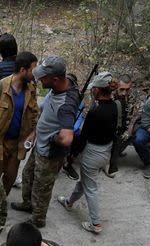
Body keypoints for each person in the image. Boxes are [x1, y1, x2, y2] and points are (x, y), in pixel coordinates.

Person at [10, 56, 79, 228]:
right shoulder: (64, 82)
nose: (38, 79)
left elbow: (66, 137)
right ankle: (28, 204)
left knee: (41, 189)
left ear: (55, 79)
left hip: (50, 154)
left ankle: (37, 220)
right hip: (39, 146)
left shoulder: (66, 105)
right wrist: (35, 133)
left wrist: (50, 137)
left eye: (43, 77)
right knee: (27, 175)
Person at [57, 71, 117, 235]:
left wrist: (72, 155)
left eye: (94, 89)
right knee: (86, 182)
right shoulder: (113, 106)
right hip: (105, 152)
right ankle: (69, 202)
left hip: (92, 153)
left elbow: (83, 137)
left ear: (97, 90)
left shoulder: (95, 112)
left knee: (91, 188)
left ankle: (96, 224)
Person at [0, 51, 39, 194]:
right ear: (23, 70)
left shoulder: (31, 90)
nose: (35, 74)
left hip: (17, 146)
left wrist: (33, 134)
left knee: (9, 180)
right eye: (33, 70)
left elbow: (34, 115)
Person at [106, 74, 137, 177]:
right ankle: (109, 162)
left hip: (122, 125)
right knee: (116, 137)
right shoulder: (109, 95)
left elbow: (132, 115)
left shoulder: (130, 97)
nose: (124, 93)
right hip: (108, 127)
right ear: (117, 87)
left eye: (127, 90)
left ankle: (116, 152)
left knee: (132, 134)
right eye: (122, 89)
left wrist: (129, 129)